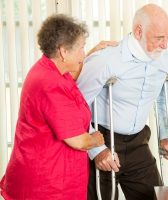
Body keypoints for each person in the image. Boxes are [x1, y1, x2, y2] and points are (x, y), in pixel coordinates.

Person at [77, 4, 168, 200]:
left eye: (167, 38)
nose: (165, 45)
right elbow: (76, 105)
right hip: (104, 138)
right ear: (139, 31)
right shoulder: (105, 60)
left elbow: (163, 100)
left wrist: (165, 136)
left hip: (138, 141)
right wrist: (96, 149)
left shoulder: (167, 61)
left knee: (155, 197)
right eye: (159, 38)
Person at [0, 14, 106, 200]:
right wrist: (96, 140)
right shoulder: (50, 84)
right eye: (81, 48)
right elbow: (79, 141)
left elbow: (74, 73)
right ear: (64, 52)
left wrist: (91, 55)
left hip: (54, 179)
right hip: (47, 185)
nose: (83, 53)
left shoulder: (52, 68)